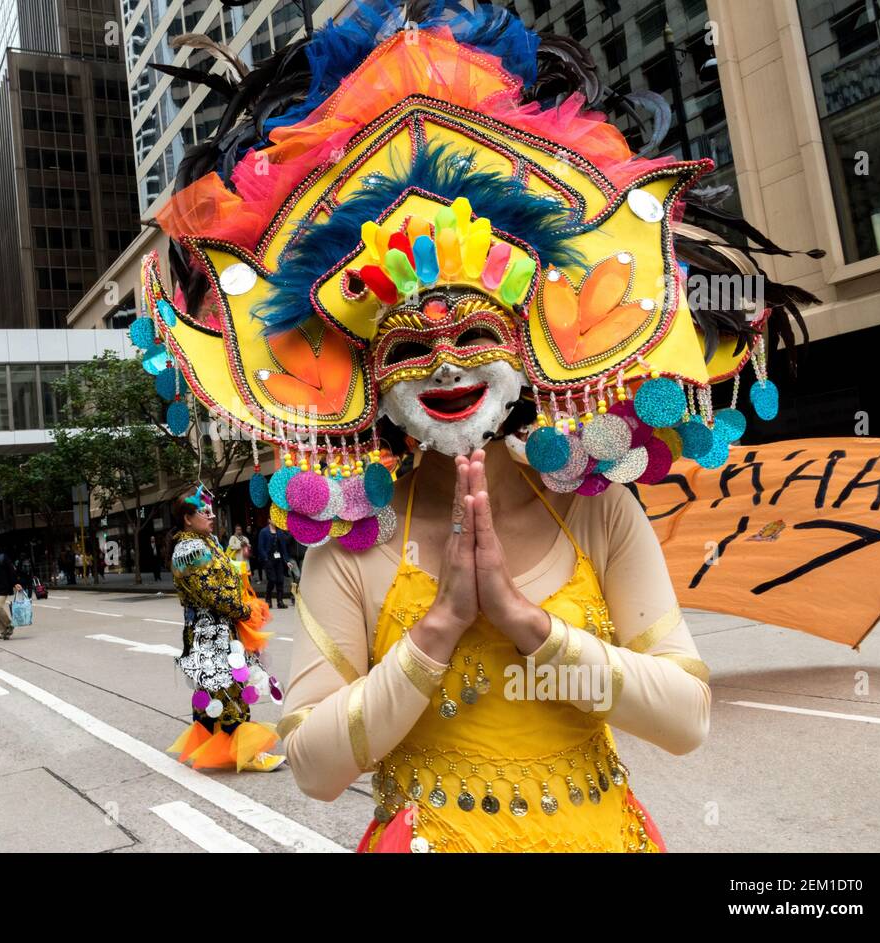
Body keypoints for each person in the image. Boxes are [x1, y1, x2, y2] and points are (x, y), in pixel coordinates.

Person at [131, 0, 818, 851]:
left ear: (527, 351)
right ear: (369, 376)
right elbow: (310, 764)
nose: (449, 366)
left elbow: (686, 717)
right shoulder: (348, 544)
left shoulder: (597, 507)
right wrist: (440, 626)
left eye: (475, 336)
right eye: (415, 344)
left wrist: (532, 626)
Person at [165, 486, 284, 772]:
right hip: (210, 633)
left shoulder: (206, 542)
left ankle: (214, 744)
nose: (211, 514)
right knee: (229, 687)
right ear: (187, 518)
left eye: (211, 509)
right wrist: (246, 611)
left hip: (219, 630)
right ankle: (249, 753)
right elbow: (212, 593)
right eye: (203, 511)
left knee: (215, 688)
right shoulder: (190, 549)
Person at [256, 520, 290, 609]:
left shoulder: (280, 532)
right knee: (272, 580)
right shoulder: (264, 531)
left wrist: (287, 561)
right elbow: (260, 546)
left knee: (280, 580)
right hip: (269, 559)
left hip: (278, 559)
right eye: (273, 519)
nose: (275, 521)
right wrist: (265, 558)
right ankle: (268, 599)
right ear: (269, 520)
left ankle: (280, 601)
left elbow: (283, 548)